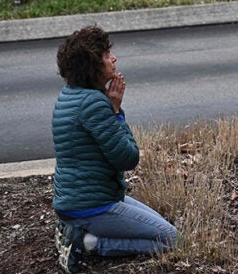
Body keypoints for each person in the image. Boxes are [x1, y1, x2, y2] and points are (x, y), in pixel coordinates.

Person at [51, 25, 179, 272]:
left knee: (164, 227)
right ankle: (90, 243)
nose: (113, 58)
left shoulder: (70, 94)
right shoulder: (95, 104)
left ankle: (72, 228)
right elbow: (128, 158)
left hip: (80, 200)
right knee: (172, 239)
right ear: (92, 66)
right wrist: (116, 111)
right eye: (106, 54)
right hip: (92, 206)